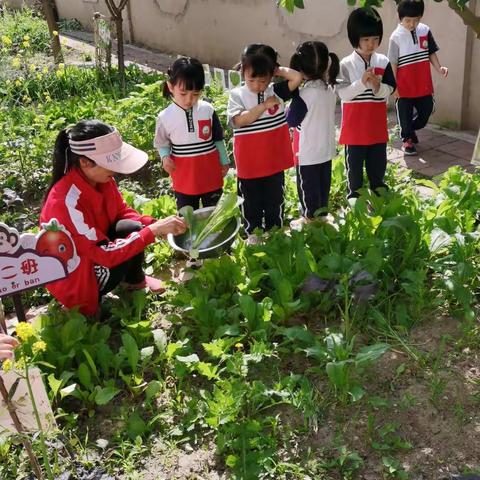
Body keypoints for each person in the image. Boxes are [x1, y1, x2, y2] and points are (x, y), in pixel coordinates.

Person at [40, 119, 187, 317]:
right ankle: (83, 305)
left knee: (132, 227)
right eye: (111, 162)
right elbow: (104, 255)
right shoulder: (65, 202)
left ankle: (134, 282)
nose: (116, 169)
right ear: (85, 162)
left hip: (97, 251)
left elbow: (121, 213)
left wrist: (153, 224)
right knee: (137, 235)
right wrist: (152, 231)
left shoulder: (102, 179)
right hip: (79, 276)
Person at [227, 44, 302, 244]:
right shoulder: (238, 95)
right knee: (251, 200)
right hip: (250, 163)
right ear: (242, 72)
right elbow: (239, 121)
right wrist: (262, 106)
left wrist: (276, 69)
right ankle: (253, 233)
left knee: (275, 197)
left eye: (263, 79)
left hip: (273, 160)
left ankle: (275, 229)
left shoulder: (275, 90)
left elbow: (297, 78)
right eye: (252, 79)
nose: (258, 85)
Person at [154, 57, 230, 211]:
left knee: (214, 213)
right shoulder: (164, 117)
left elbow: (218, 138)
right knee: (187, 216)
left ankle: (215, 235)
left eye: (196, 94)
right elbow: (162, 143)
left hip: (210, 173)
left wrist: (224, 159)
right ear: (170, 86)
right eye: (183, 93)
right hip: (183, 177)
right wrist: (165, 157)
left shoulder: (207, 110)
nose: (189, 99)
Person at [336, 7, 396, 200]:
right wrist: (362, 83)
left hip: (377, 127)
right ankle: (355, 200)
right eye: (366, 39)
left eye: (375, 39)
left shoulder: (384, 62)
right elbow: (343, 94)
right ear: (355, 39)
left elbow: (391, 89)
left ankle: (379, 197)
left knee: (377, 166)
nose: (372, 44)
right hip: (354, 130)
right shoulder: (345, 64)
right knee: (354, 170)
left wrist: (378, 87)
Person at [287, 41, 339, 229]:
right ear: (326, 65)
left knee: (307, 189)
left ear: (300, 68)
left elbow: (291, 120)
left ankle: (309, 220)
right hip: (326, 150)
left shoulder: (304, 95)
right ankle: (322, 216)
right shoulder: (330, 91)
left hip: (307, 153)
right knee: (323, 186)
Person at [388, 0, 448, 156]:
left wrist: (439, 68)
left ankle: (410, 128)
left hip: (423, 84)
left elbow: (431, 52)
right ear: (399, 17)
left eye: (416, 20)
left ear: (421, 17)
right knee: (404, 113)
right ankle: (407, 139)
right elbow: (393, 63)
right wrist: (394, 86)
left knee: (426, 112)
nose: (411, 24)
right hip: (404, 86)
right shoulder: (395, 37)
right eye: (407, 20)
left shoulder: (425, 31)